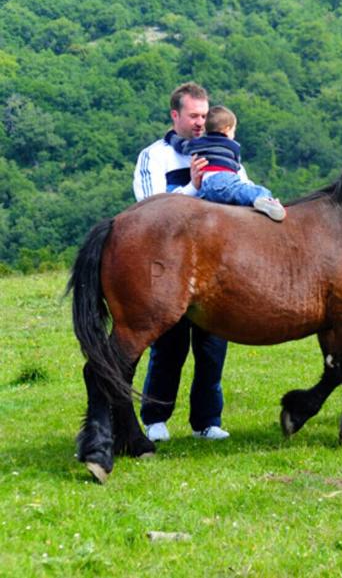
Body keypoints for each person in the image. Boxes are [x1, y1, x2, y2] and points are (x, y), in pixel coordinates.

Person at [132, 82, 230, 441]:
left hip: (214, 267)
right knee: (168, 346)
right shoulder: (154, 157)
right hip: (168, 268)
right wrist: (191, 186)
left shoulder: (220, 149)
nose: (201, 123)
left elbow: (238, 192)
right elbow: (150, 212)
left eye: (204, 115)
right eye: (193, 116)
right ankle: (155, 419)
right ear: (175, 115)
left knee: (212, 347)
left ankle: (207, 422)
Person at [172, 105, 285, 221]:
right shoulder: (233, 146)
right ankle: (266, 200)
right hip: (224, 181)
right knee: (251, 191)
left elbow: (181, 145)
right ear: (227, 129)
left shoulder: (197, 143)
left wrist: (171, 136)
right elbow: (236, 169)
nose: (233, 134)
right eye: (233, 130)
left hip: (204, 188)